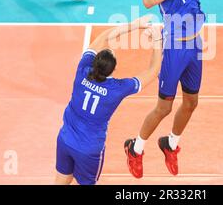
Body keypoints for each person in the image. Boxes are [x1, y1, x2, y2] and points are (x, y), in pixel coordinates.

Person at [124, 0, 212, 178]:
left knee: (191, 102)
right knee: (163, 107)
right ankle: (135, 148)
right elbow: (149, 1)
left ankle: (171, 143)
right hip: (174, 47)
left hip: (195, 45)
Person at [55, 16, 162, 185]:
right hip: (89, 149)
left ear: (94, 61)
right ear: (113, 70)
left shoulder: (83, 69)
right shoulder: (117, 89)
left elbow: (104, 37)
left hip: (65, 139)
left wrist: (133, 25)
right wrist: (157, 41)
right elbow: (153, 71)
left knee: (60, 181)